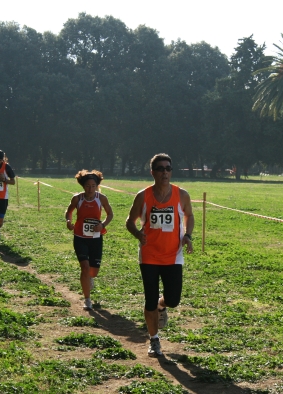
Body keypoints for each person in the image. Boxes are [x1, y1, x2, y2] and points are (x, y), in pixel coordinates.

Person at [125, 153, 194, 357]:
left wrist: (188, 235)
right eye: (161, 168)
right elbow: (130, 221)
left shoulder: (181, 195)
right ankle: (154, 340)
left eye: (168, 168)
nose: (165, 172)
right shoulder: (143, 196)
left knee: (173, 299)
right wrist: (138, 233)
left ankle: (162, 306)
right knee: (149, 298)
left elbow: (190, 216)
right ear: (153, 172)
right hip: (149, 255)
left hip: (173, 255)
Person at [65, 170, 114, 310]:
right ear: (83, 186)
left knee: (93, 272)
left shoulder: (102, 198)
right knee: (85, 268)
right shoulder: (77, 198)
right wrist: (69, 221)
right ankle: (87, 300)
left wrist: (102, 225)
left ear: (97, 186)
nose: (90, 189)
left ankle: (89, 278)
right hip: (80, 237)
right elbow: (69, 211)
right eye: (88, 186)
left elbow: (110, 214)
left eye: (93, 186)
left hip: (95, 238)